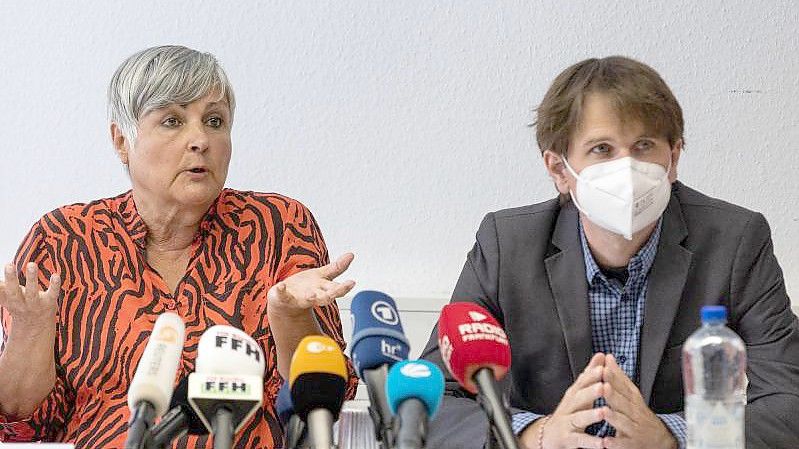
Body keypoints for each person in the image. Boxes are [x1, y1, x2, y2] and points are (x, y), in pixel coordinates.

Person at [422, 56, 799, 449]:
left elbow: (789, 400)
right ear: (558, 169)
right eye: (602, 149)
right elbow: (432, 400)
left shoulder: (735, 241)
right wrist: (539, 434)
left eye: (644, 146)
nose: (627, 167)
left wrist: (672, 437)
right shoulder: (507, 245)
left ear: (673, 158)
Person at [0, 45, 358, 448]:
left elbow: (320, 403)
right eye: (172, 120)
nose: (200, 140)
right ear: (122, 140)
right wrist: (29, 332)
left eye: (214, 121)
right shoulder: (64, 239)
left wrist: (287, 314)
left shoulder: (279, 225)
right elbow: (27, 424)